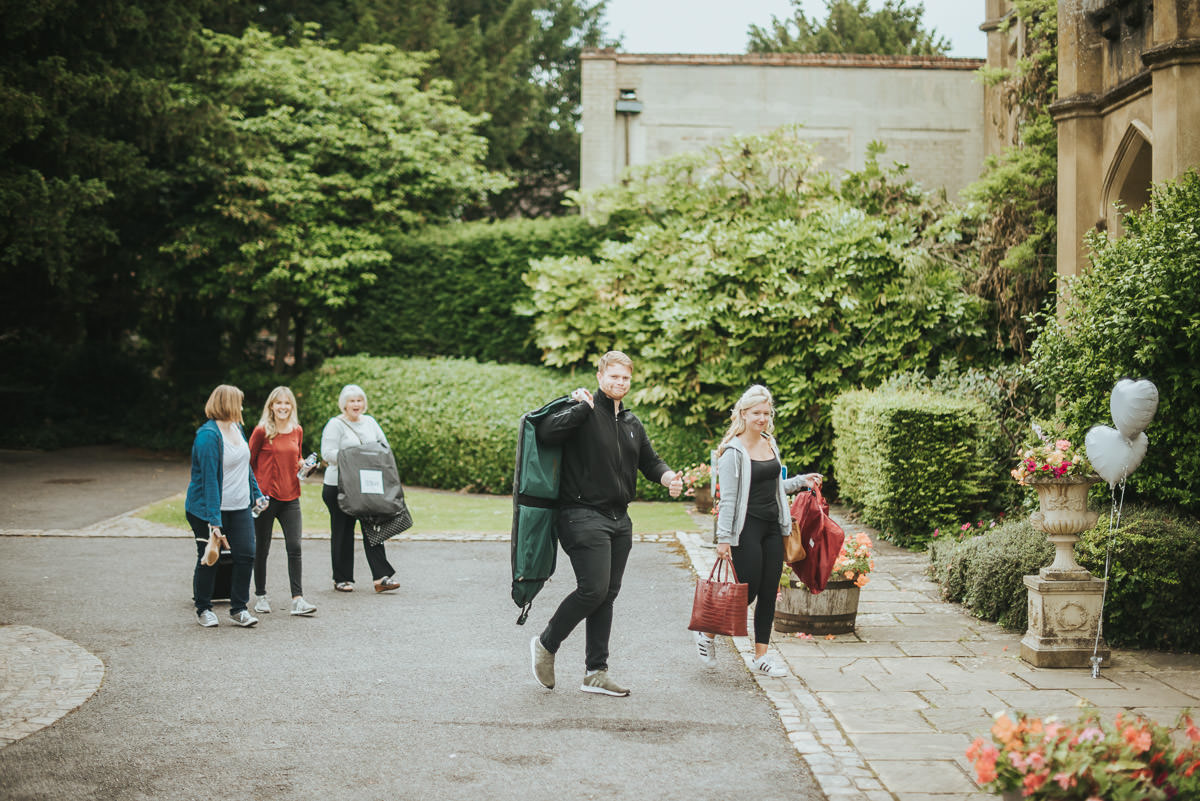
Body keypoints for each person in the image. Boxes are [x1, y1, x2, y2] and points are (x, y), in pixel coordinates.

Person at [529, 350, 684, 697]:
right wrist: (581, 407)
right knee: (593, 590)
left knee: (606, 596)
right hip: (580, 514)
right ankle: (545, 643)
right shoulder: (582, 411)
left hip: (619, 520)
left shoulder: (631, 423)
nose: (620, 383)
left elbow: (650, 462)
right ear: (600, 377)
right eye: (613, 376)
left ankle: (596, 672)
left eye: (625, 378)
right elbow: (546, 433)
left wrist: (668, 477)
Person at [693, 385, 820, 676]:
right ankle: (707, 634)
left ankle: (761, 656)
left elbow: (774, 487)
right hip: (745, 529)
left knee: (768, 591)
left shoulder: (769, 443)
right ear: (743, 414)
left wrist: (801, 480)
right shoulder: (732, 453)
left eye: (766, 412)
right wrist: (723, 540)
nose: (762, 418)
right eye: (756, 413)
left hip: (773, 527)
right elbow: (727, 500)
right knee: (745, 593)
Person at [185, 384, 266, 628]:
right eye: (239, 402)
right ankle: (203, 609)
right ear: (228, 404)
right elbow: (210, 481)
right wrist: (214, 522)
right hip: (207, 510)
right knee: (210, 558)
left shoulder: (237, 428)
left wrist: (257, 494)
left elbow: (245, 466)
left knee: (246, 555)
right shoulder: (208, 436)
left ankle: (239, 608)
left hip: (239, 507)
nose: (242, 407)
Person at [320, 384, 401, 594]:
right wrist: (357, 456)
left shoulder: (370, 422)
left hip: (367, 486)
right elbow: (327, 453)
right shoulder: (335, 425)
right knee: (343, 530)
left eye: (359, 400)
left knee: (373, 528)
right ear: (344, 405)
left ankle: (381, 577)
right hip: (339, 486)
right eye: (352, 401)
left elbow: (385, 448)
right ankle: (342, 578)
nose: (356, 404)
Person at [248, 386, 317, 617]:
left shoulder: (297, 430)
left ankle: (297, 600)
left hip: (291, 497)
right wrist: (254, 494)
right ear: (271, 406)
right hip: (265, 499)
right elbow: (247, 463)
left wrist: (305, 466)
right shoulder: (261, 431)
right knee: (262, 548)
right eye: (279, 403)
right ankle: (260, 596)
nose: (283, 407)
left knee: (295, 547)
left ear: (292, 407)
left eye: (287, 403)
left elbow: (296, 458)